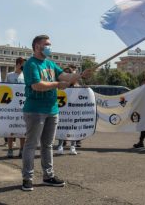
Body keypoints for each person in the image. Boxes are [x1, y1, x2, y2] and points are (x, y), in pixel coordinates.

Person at [21, 35, 93, 191]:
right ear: (36, 47)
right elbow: (36, 85)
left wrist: (80, 75)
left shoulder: (50, 63)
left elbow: (65, 76)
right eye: (46, 44)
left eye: (50, 44)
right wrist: (57, 84)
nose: (49, 47)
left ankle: (48, 176)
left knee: (47, 145)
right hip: (35, 110)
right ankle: (27, 179)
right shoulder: (30, 64)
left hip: (52, 110)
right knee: (31, 145)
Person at [5, 57, 27, 158]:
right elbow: (4, 88)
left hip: (23, 105)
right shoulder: (9, 75)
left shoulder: (26, 76)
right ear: (18, 64)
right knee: (11, 129)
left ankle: (22, 149)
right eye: (23, 64)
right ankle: (10, 150)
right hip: (11, 106)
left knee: (22, 129)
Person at [56, 67, 78, 155]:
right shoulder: (59, 86)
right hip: (62, 111)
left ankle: (73, 147)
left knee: (73, 129)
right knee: (62, 128)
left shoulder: (76, 87)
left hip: (72, 111)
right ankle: (60, 146)